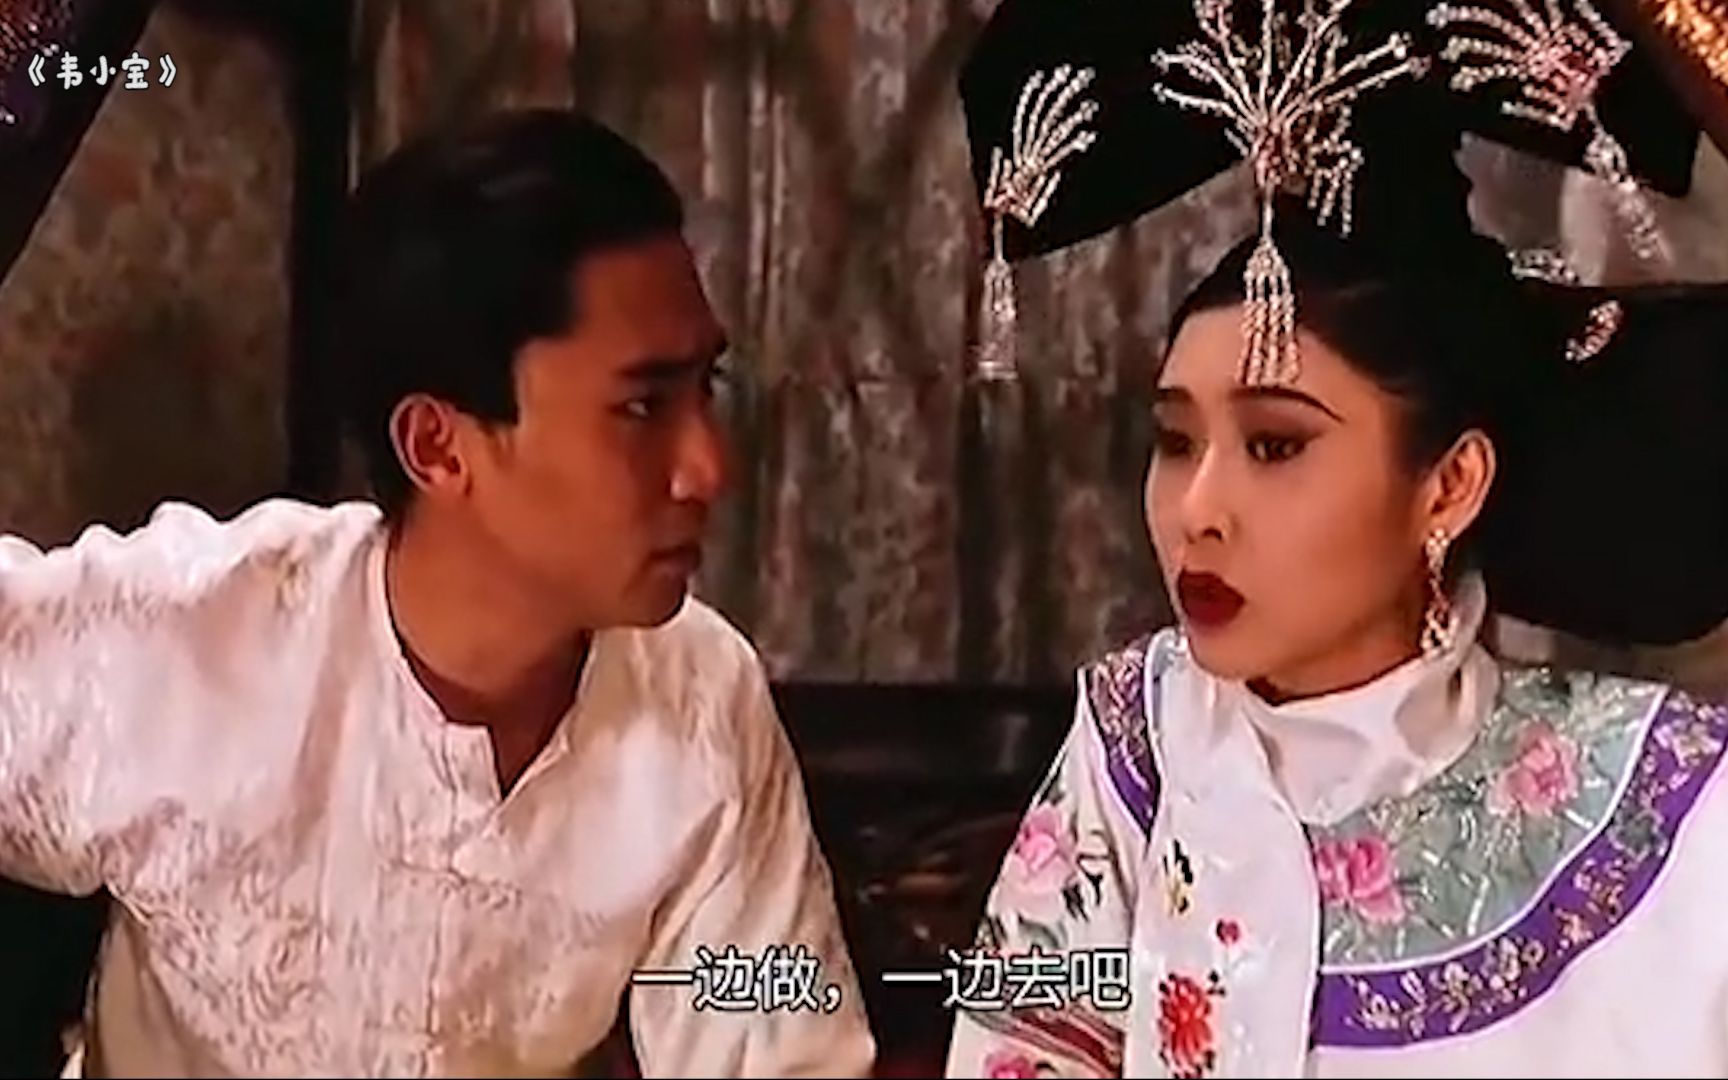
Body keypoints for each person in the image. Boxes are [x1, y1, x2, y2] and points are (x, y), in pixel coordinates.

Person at [0, 109, 874, 1078]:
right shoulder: (197, 634)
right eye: (641, 406)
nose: (708, 467)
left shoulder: (700, 698)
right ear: (438, 447)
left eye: (707, 388)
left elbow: (780, 1054)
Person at [946, 0, 1728, 1075]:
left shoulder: (1669, 795)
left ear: (1448, 485)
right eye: (1174, 441)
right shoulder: (1138, 745)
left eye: (1276, 446)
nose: (1197, 509)